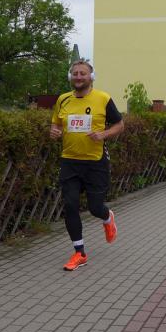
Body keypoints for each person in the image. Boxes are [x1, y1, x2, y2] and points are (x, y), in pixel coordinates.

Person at [50, 60, 125, 271]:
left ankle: (107, 217)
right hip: (69, 161)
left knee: (94, 208)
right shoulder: (63, 99)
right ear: (70, 76)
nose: (79, 77)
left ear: (91, 77)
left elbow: (119, 125)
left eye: (83, 73)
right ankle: (80, 253)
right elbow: (56, 123)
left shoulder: (103, 98)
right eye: (75, 73)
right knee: (70, 205)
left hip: (95, 163)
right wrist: (54, 131)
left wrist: (103, 134)